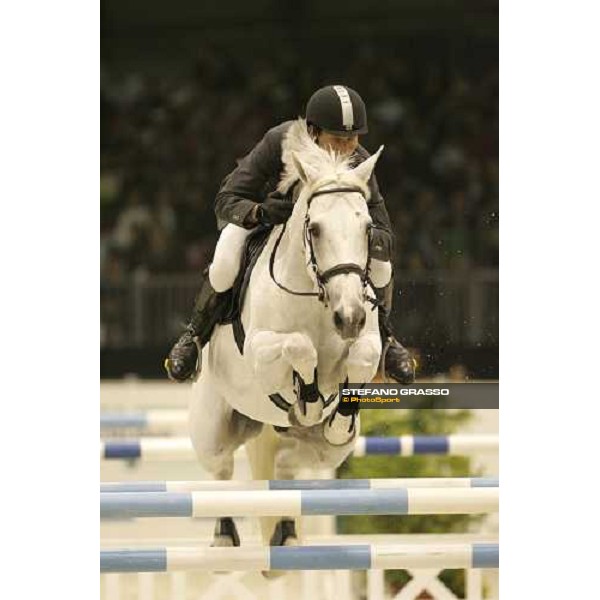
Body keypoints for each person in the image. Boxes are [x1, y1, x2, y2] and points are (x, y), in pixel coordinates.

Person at [164, 85, 416, 385]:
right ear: (313, 131)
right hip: (265, 225)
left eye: (354, 138)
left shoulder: (359, 160)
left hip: (326, 243)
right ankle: (194, 335)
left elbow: (385, 233)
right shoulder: (279, 142)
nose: (348, 147)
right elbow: (226, 199)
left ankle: (386, 338)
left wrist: (359, 234)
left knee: (382, 266)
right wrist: (259, 212)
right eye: (339, 138)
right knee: (225, 259)